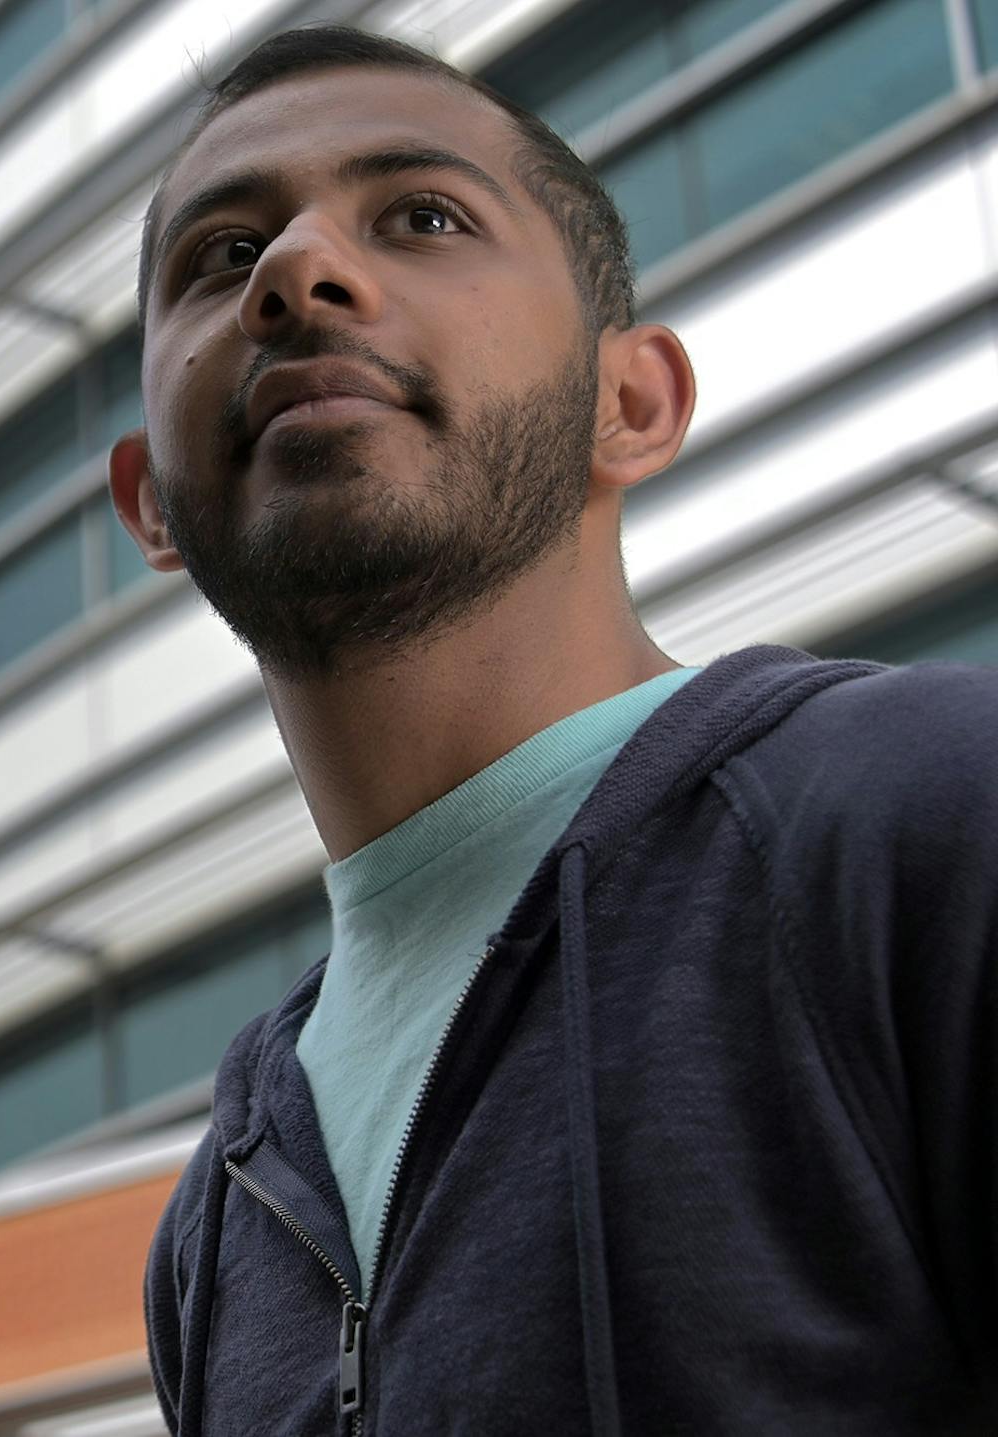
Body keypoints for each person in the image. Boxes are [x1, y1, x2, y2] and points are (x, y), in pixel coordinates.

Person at [107, 23, 997, 1436]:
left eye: (425, 216)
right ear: (151, 501)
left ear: (628, 401)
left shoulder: (935, 810)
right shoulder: (215, 1215)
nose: (294, 272)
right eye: (222, 256)